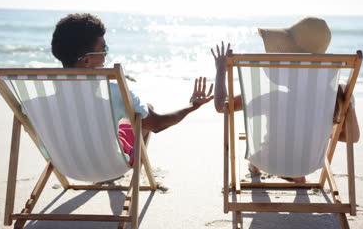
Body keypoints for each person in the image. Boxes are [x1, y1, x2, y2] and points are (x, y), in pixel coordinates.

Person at [51, 13, 213, 165]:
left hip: (64, 163)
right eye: (104, 49)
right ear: (87, 60)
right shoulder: (114, 92)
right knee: (143, 113)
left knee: (126, 123)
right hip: (108, 166)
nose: (106, 55)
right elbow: (157, 124)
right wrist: (192, 107)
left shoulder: (40, 97)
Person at [211, 17, 339, 183]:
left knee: (264, 151)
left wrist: (221, 70)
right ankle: (297, 174)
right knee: (299, 140)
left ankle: (255, 166)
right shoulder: (336, 96)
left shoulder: (272, 96)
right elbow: (353, 137)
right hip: (309, 163)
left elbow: (222, 106)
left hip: (267, 162)